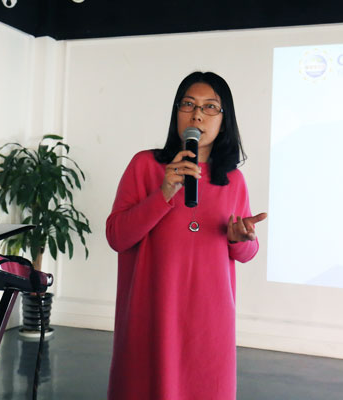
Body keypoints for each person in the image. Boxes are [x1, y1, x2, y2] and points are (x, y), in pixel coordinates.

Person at [105, 71, 267, 400]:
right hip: (153, 312)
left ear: (224, 119)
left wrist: (241, 239)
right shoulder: (144, 166)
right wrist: (164, 193)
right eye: (189, 104)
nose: (197, 115)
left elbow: (247, 252)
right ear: (176, 111)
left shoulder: (233, 180)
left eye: (210, 107)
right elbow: (117, 237)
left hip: (210, 320)